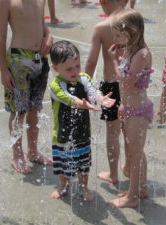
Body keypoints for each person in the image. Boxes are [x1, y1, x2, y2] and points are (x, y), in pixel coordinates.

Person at [49, 40, 116, 201]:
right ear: (55, 68)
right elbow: (69, 99)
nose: (75, 71)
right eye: (69, 68)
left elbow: (92, 92)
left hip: (83, 132)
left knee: (83, 164)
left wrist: (101, 99)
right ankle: (63, 186)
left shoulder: (83, 78)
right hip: (62, 135)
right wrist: (83, 104)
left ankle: (83, 187)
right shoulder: (56, 85)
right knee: (63, 165)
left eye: (77, 65)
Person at [0, 0, 53, 174]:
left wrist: (49, 37)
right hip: (18, 61)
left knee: (35, 109)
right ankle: (17, 155)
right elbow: (0, 35)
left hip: (40, 60)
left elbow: (43, 26)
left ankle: (33, 152)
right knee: (18, 112)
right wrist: (3, 69)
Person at [107, 9, 153, 208]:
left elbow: (126, 83)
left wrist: (113, 61)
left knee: (135, 153)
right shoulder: (128, 49)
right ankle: (141, 187)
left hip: (139, 111)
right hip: (130, 108)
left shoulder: (142, 54)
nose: (114, 38)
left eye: (118, 34)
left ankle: (132, 197)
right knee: (136, 152)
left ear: (132, 32)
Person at [85, 0, 127, 185]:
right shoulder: (134, 21)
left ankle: (113, 173)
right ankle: (130, 166)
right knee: (129, 129)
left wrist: (84, 86)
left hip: (111, 86)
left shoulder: (102, 27)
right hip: (131, 84)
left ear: (102, 2)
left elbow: (91, 61)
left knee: (112, 132)